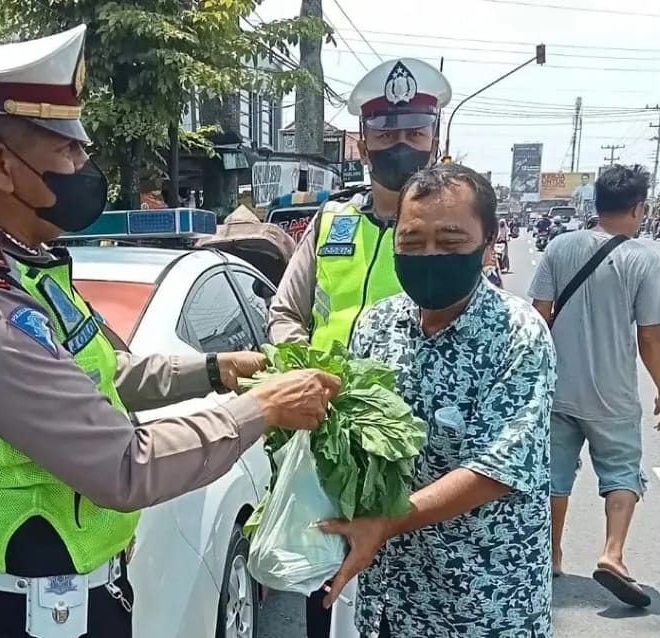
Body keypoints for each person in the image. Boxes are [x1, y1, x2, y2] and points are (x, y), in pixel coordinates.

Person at [0, 25, 340, 638]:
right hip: (29, 612)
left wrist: (214, 370)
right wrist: (260, 409)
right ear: (2, 166)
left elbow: (104, 375)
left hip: (74, 589)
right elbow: (124, 466)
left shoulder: (26, 264)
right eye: (68, 151)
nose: (85, 167)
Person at [320, 164, 556, 637]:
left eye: (450, 243)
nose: (429, 257)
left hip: (482, 601)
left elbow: (497, 469)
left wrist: (385, 523)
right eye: (411, 243)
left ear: (489, 241)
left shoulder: (520, 334)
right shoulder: (376, 325)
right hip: (390, 595)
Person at [264, 56, 451, 638]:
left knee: (409, 592)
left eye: (414, 133)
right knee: (324, 587)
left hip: (412, 447)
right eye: (387, 133)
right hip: (332, 442)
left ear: (434, 141)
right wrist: (308, 374)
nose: (401, 145)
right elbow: (285, 314)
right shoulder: (330, 223)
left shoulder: (451, 235)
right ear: (363, 144)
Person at [529, 164, 660, 608]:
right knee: (621, 473)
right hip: (612, 395)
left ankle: (550, 554)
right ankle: (612, 554)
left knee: (554, 476)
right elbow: (648, 335)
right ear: (638, 208)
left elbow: (537, 315)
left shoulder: (559, 246)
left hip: (559, 387)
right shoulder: (642, 259)